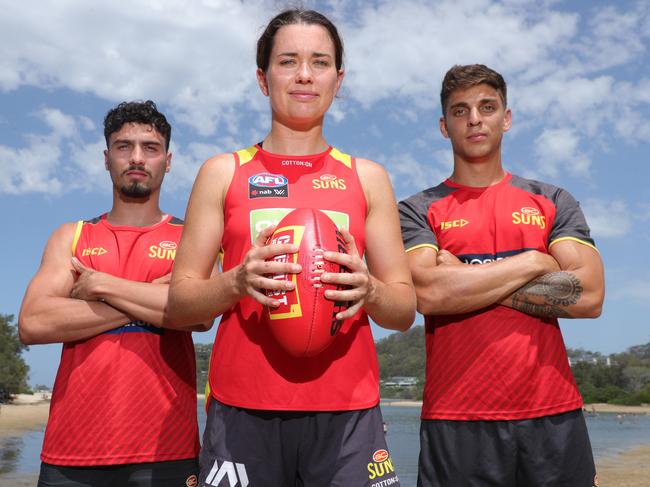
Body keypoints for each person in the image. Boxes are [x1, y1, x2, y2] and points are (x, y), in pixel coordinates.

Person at [167, 9, 416, 487]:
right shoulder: (224, 172)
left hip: (348, 414)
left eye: (319, 62)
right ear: (263, 78)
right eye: (288, 61)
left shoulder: (368, 178)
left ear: (338, 79)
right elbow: (181, 303)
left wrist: (370, 290)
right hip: (243, 410)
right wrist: (236, 281)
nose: (304, 74)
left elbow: (403, 309)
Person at [399, 64, 605, 487]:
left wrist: (467, 278)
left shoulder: (551, 200)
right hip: (455, 420)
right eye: (460, 111)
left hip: (553, 417)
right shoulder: (417, 208)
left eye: (487, 107)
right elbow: (428, 294)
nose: (474, 119)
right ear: (444, 126)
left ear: (506, 118)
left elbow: (589, 295)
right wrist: (533, 261)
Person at [19, 100, 208, 487]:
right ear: (107, 158)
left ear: (167, 161)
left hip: (166, 451)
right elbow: (34, 322)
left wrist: (103, 287)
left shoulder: (192, 238)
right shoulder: (71, 236)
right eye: (124, 147)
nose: (136, 157)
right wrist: (153, 300)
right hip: (71, 452)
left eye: (150, 148)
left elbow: (201, 314)